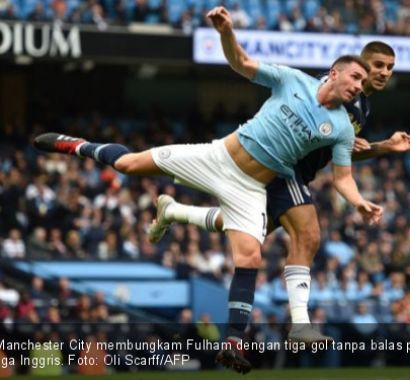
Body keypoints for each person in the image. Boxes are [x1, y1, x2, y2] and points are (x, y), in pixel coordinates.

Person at [33, 6, 382, 374]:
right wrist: (226, 32)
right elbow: (242, 63)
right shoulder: (293, 80)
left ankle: (232, 341)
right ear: (335, 72)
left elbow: (342, 177)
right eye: (356, 77)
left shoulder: (343, 128)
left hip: (250, 187)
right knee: (129, 165)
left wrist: (359, 202)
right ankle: (77, 145)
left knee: (250, 258)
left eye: (362, 82)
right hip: (217, 157)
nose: (359, 86)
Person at [148, 40, 410, 343]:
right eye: (378, 65)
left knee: (249, 227)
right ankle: (300, 324)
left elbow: (340, 152)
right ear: (358, 66)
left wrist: (383, 146)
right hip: (283, 168)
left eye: (390, 67)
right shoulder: (330, 88)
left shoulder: (360, 107)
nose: (384, 72)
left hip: (298, 175)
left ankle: (173, 211)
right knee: (308, 234)